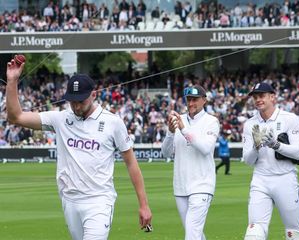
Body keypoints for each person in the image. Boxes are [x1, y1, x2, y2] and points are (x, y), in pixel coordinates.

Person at [5, 58, 152, 239]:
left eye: (81, 101)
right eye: (72, 101)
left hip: (99, 201)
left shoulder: (113, 122)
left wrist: (143, 204)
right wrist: (12, 81)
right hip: (69, 200)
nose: (76, 106)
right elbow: (16, 117)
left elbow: (131, 163)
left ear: (94, 95)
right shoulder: (60, 119)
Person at [242, 82, 299, 240]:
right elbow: (248, 161)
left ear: (272, 97)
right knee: (254, 232)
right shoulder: (250, 123)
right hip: (260, 180)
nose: (258, 99)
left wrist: (275, 145)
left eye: (262, 96)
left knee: (294, 233)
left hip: (285, 178)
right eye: (255, 97)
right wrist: (256, 148)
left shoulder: (289, 119)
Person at [161, 85, 220, 240]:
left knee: (192, 235)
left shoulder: (211, 121)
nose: (191, 103)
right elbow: (165, 153)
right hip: (180, 186)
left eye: (195, 99)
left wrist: (184, 129)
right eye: (189, 99)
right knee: (195, 233)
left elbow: (206, 148)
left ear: (204, 100)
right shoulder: (178, 120)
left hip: (202, 184)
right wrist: (170, 132)